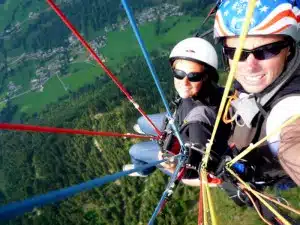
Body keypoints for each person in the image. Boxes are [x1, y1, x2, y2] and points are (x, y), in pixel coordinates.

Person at [213, 0, 300, 223]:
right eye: (236, 52)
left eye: (267, 50)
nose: (250, 65)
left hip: (261, 175)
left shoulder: (289, 110)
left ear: (289, 49)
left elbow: (293, 134)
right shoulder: (262, 81)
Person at [123, 37, 229, 186]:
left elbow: (200, 169)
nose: (184, 82)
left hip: (182, 138)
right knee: (141, 121)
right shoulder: (212, 91)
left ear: (206, 77)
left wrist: (174, 166)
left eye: (194, 76)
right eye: (179, 73)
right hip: (177, 122)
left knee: (134, 151)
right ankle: (147, 131)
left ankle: (142, 170)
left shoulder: (198, 122)